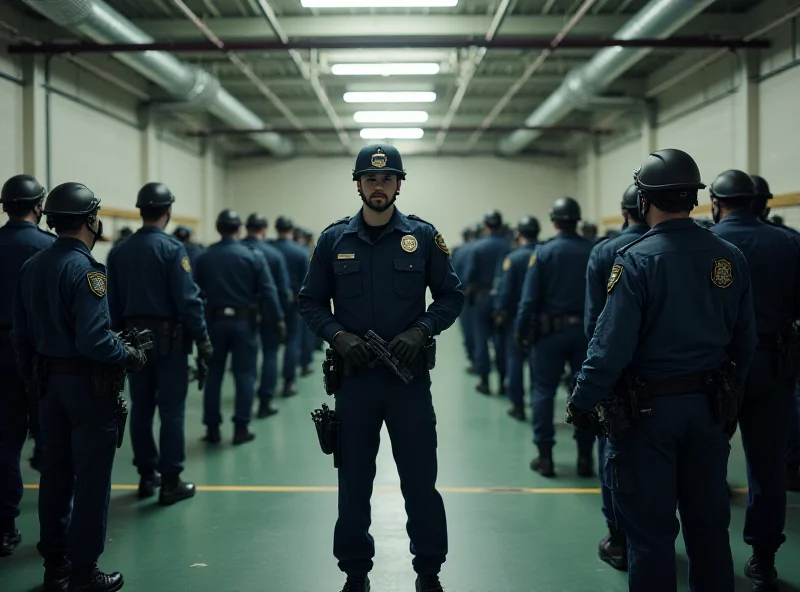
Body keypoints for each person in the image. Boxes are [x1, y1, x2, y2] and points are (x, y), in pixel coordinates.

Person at [566, 149, 757, 592]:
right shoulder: (728, 256)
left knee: (650, 538)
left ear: (643, 200)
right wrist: (728, 398)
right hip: (709, 411)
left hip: (647, 417)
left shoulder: (635, 259)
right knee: (709, 532)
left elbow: (610, 345)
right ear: (693, 198)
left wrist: (582, 400)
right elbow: (745, 342)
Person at [298, 143, 464, 592]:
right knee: (354, 484)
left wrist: (422, 330)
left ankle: (428, 571)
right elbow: (310, 301)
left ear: (398, 184)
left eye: (387, 178)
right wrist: (338, 336)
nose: (378, 185)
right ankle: (355, 573)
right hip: (355, 385)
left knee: (420, 482)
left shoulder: (423, 237)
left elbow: (452, 296)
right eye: (370, 179)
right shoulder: (334, 240)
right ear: (358, 184)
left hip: (408, 384)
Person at [12, 182, 148, 592]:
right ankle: (85, 570)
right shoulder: (87, 271)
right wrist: (126, 354)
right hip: (88, 390)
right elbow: (92, 339)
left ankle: (56, 566)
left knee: (54, 476)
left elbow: (21, 337)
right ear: (91, 219)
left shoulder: (32, 266)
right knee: (91, 480)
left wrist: (33, 384)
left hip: (46, 387)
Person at [707, 169, 800, 591]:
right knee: (767, 466)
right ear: (758, 202)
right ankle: (764, 559)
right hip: (774, 365)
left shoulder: (703, 244)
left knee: (704, 462)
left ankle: (709, 551)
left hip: (716, 368)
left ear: (716, 202)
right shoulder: (788, 242)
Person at [106, 182, 212, 504]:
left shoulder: (119, 251)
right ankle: (171, 481)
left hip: (132, 344)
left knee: (140, 408)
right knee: (171, 410)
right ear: (168, 212)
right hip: (168, 344)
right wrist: (203, 339)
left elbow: (112, 304)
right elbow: (187, 300)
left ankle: (146, 476)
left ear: (141, 211)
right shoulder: (172, 249)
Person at [583, 183, 649, 571]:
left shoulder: (607, 252)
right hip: (681, 378)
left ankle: (619, 536)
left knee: (614, 452)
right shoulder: (707, 249)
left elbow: (596, 325)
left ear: (626, 211)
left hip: (620, 372)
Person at [514, 196, 595, 478]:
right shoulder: (593, 250)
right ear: (577, 220)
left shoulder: (545, 253)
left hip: (549, 335)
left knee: (543, 391)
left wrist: (521, 332)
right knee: (585, 393)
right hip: (585, 335)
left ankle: (546, 457)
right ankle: (585, 458)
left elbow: (529, 300)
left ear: (554, 221)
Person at [0, 174, 55, 556]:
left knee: (4, 440)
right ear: (39, 206)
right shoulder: (50, 248)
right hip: (41, 352)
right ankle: (55, 535)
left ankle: (4, 526)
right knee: (53, 435)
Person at [195, 210, 283, 445]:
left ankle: (212, 429)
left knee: (213, 375)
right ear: (239, 228)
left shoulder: (205, 257)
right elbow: (268, 291)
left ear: (218, 227)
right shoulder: (252, 256)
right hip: (244, 324)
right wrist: (278, 319)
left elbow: (193, 292)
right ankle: (241, 428)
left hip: (213, 323)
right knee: (245, 374)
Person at [241, 213, 289, 418]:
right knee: (270, 353)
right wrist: (280, 316)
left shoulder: (239, 250)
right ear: (264, 229)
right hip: (269, 310)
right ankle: (265, 401)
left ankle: (244, 402)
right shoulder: (274, 254)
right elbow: (281, 289)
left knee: (245, 363)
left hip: (243, 314)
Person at [493, 216, 540, 421]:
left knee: (515, 361)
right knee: (538, 365)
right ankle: (538, 406)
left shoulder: (513, 258)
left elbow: (506, 290)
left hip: (515, 317)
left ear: (518, 234)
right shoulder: (543, 254)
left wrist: (500, 311)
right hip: (540, 318)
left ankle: (518, 405)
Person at [462, 210, 511, 394]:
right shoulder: (509, 246)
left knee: (481, 338)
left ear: (485, 225)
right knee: (501, 341)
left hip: (481, 298)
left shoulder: (478, 247)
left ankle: (484, 381)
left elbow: (469, 275)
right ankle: (502, 382)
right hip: (502, 299)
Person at [271, 215, 310, 397]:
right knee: (291, 341)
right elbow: (307, 281)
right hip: (294, 303)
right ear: (291, 230)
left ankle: (267, 386)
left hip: (272, 303)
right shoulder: (300, 252)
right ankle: (288, 382)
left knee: (269, 346)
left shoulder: (269, 250)